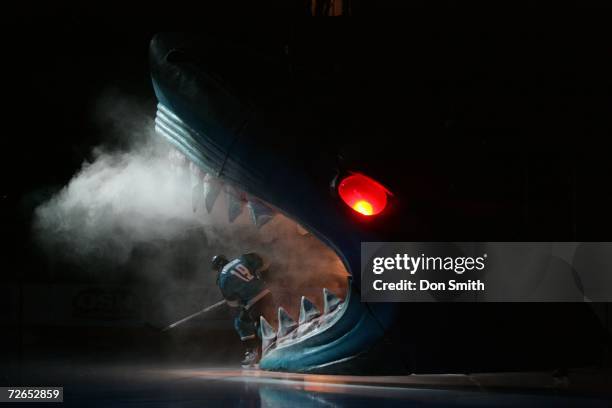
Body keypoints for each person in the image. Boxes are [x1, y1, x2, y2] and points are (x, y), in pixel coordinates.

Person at [212, 252, 274, 368]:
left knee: (243, 323)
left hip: (253, 301)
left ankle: (257, 354)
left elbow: (233, 303)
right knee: (267, 322)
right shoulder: (242, 259)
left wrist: (240, 301)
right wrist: (261, 277)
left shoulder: (222, 278)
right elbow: (263, 262)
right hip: (266, 293)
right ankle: (266, 350)